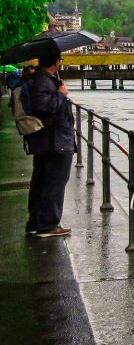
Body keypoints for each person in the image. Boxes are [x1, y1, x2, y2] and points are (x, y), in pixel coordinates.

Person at [25, 51, 76, 237]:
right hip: (55, 142)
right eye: (60, 60)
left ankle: (35, 223)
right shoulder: (44, 81)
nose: (61, 64)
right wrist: (61, 94)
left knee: (41, 182)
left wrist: (58, 90)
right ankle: (47, 225)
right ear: (56, 62)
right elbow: (45, 108)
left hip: (47, 141)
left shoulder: (43, 79)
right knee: (55, 183)